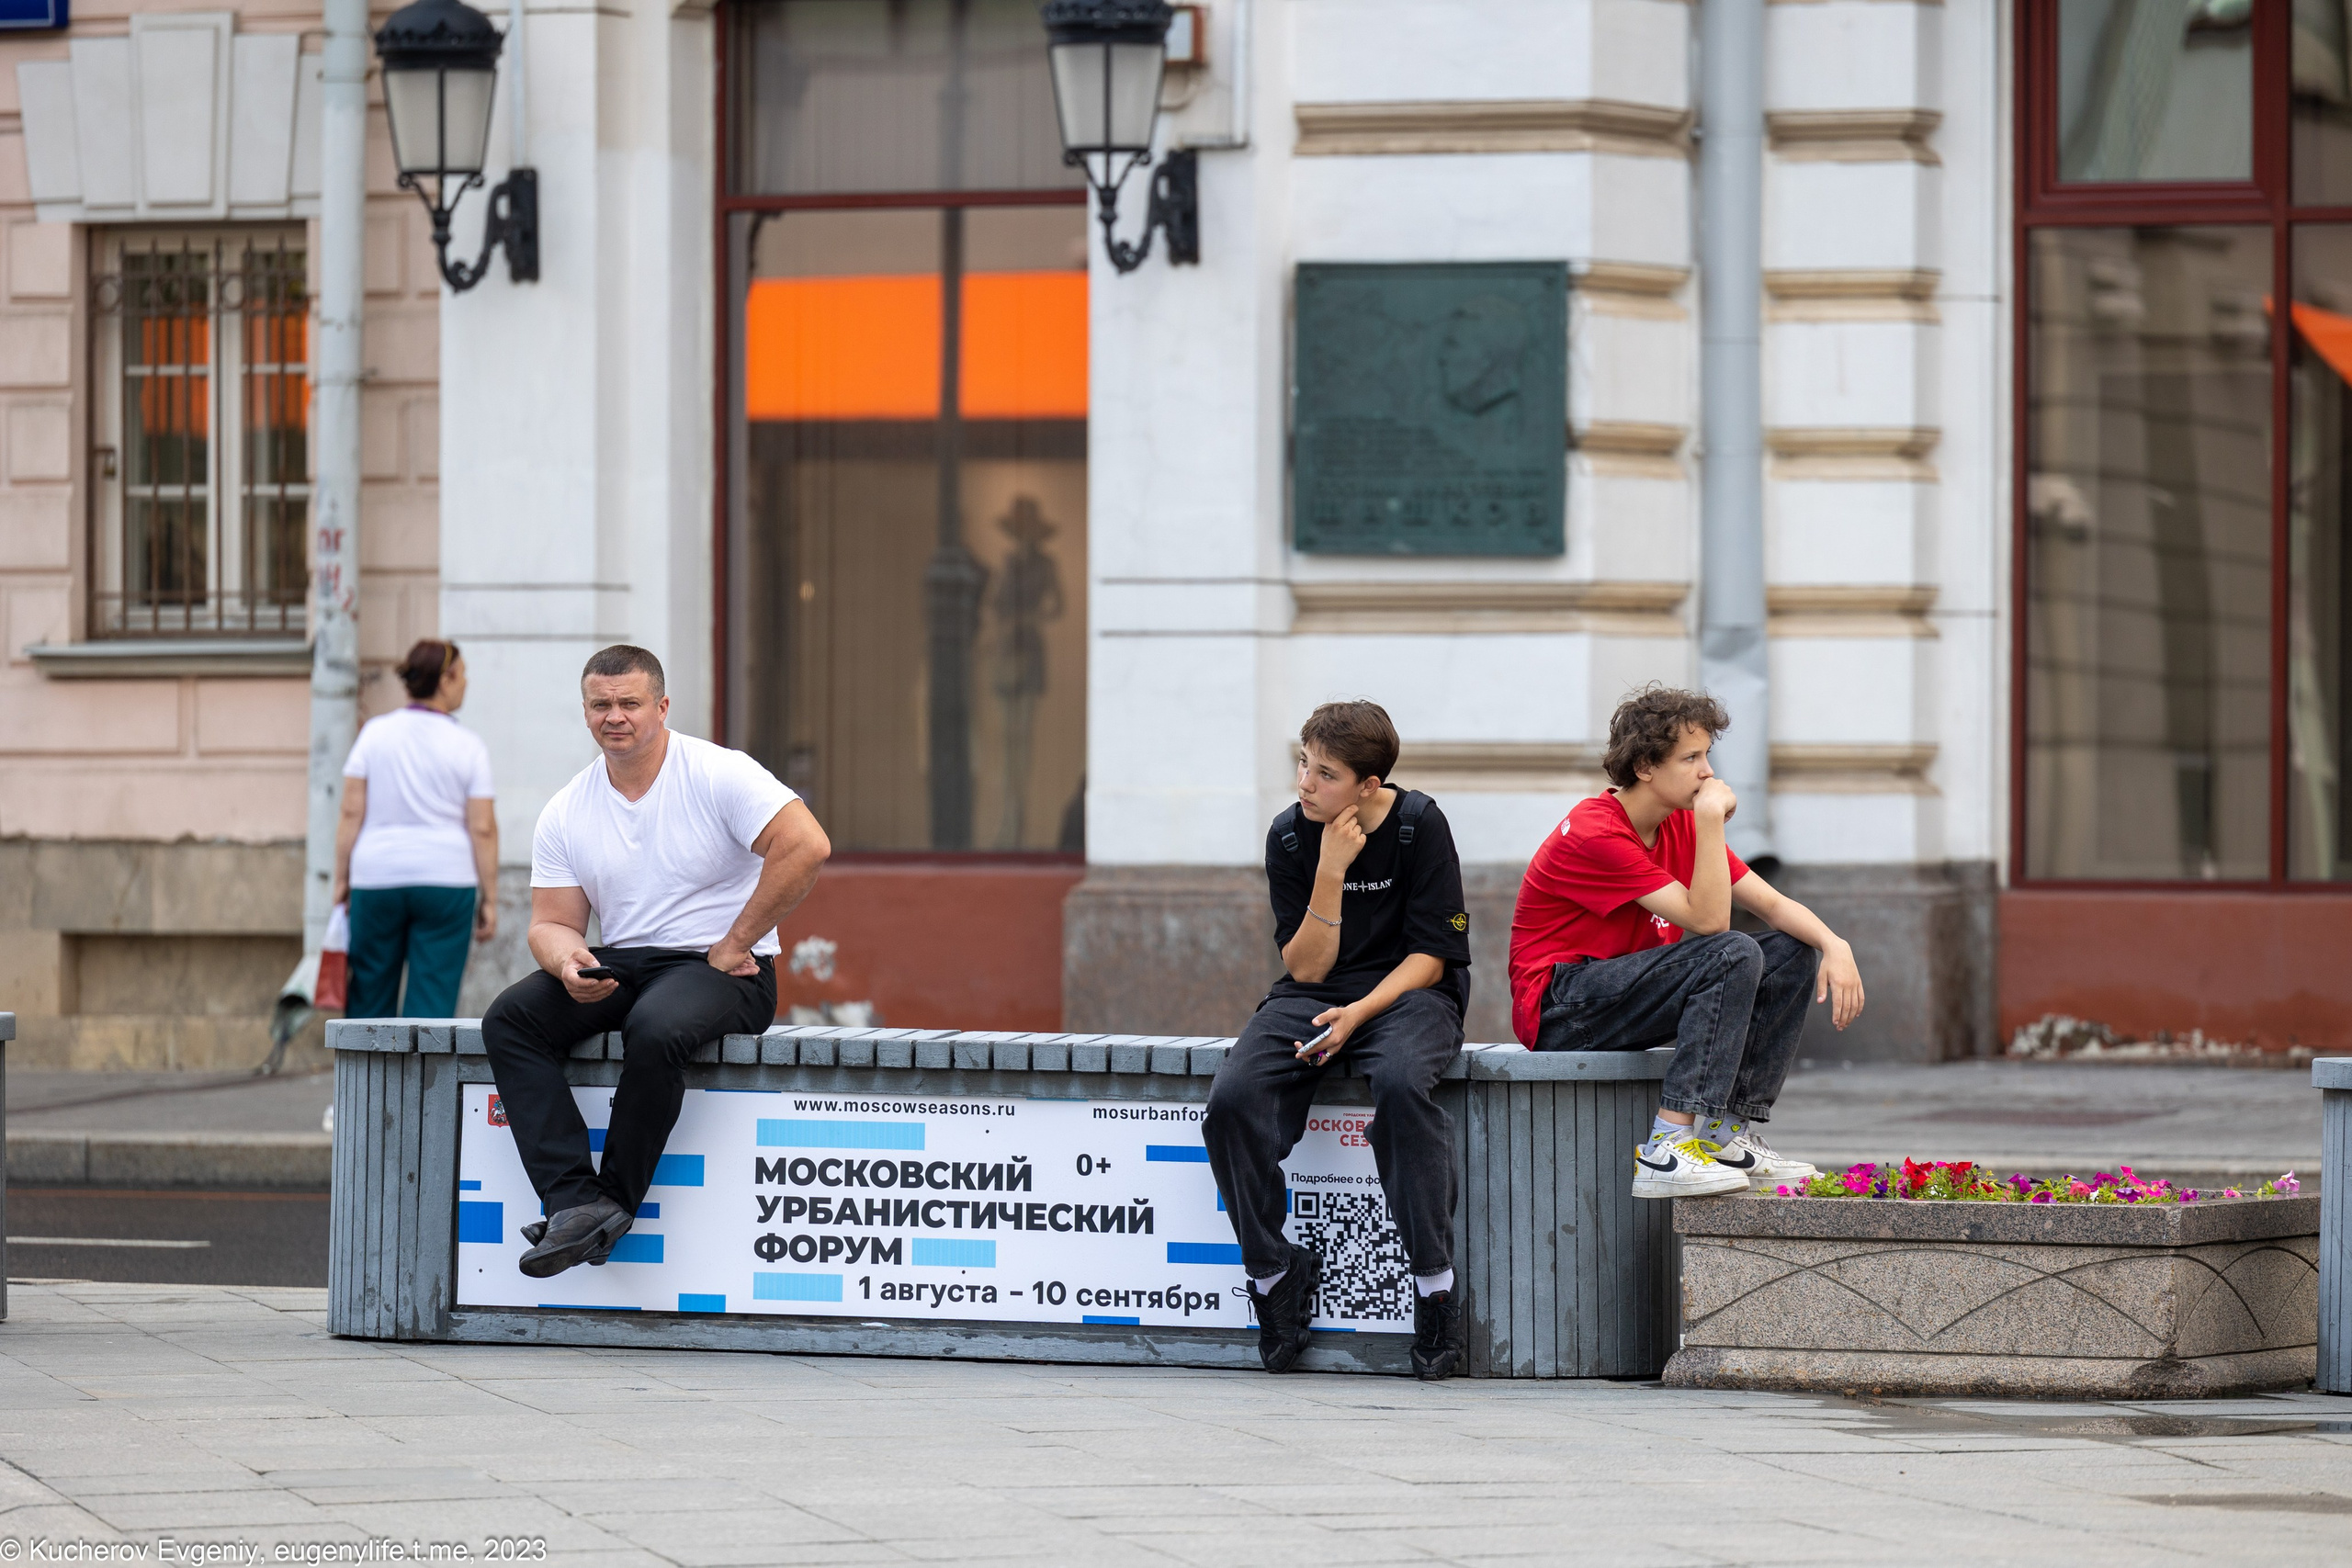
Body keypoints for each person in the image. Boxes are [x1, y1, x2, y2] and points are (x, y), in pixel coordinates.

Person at [481, 645, 831, 1278]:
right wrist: (566, 962)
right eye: (601, 704)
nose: (614, 716)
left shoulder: (717, 772)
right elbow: (552, 922)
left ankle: (613, 1200)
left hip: (724, 969)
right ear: (585, 711)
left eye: (629, 703)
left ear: (662, 706)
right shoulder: (568, 806)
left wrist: (737, 940)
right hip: (624, 964)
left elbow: (806, 844)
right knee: (511, 1019)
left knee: (656, 1024)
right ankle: (571, 1201)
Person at [1202, 701, 1474, 1381]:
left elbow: (1432, 958)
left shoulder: (1419, 825)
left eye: (1325, 773)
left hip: (1408, 994)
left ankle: (1434, 1287)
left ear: (1368, 785)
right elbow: (1306, 969)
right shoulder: (1291, 837)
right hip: (1313, 993)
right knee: (1232, 1101)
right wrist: (1330, 869)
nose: (1305, 782)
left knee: (1402, 1086)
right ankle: (1273, 1273)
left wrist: (1358, 1014)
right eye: (1303, 763)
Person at [1508, 686, 1866, 1200]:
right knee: (1731, 951)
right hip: (1560, 1007)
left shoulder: (1678, 824)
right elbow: (1710, 922)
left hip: (1624, 993)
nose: (1708, 772)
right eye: (1690, 758)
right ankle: (1667, 1146)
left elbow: (1771, 905)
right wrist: (1710, 819)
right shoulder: (1596, 833)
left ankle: (1726, 1135)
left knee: (1790, 952)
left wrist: (1835, 944)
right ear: (1645, 767)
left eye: (1707, 755)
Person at [333, 639, 498, 1021]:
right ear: (447, 678)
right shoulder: (468, 746)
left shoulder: (374, 734)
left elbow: (351, 811)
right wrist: (490, 896)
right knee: (432, 1002)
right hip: (446, 881)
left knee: (369, 996)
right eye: (463, 674)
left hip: (376, 877)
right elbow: (483, 828)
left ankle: (367, 1062)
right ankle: (424, 1062)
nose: (466, 682)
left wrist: (341, 878)